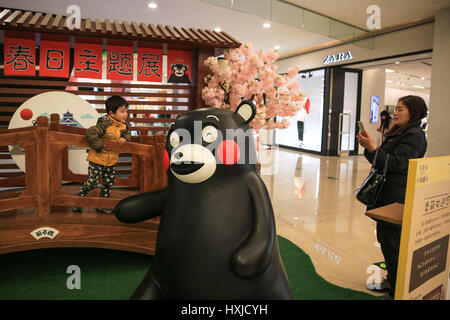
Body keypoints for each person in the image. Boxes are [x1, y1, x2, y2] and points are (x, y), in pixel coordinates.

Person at [357, 95, 427, 299]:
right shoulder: (400, 132)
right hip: (388, 193)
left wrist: (372, 148)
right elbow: (381, 161)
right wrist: (370, 147)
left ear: (413, 112)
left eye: (400, 109)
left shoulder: (414, 135)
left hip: (397, 197)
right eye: (396, 108)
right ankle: (393, 279)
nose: (395, 113)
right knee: (386, 239)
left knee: (391, 241)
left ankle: (396, 289)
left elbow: (398, 164)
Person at [73, 95, 131, 213]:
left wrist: (125, 138)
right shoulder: (104, 124)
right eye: (122, 111)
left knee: (108, 183)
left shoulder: (123, 125)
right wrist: (99, 146)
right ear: (112, 113)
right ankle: (77, 200)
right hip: (97, 160)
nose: (125, 114)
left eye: (126, 111)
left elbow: (127, 134)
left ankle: (103, 204)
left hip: (111, 161)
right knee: (92, 183)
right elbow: (90, 133)